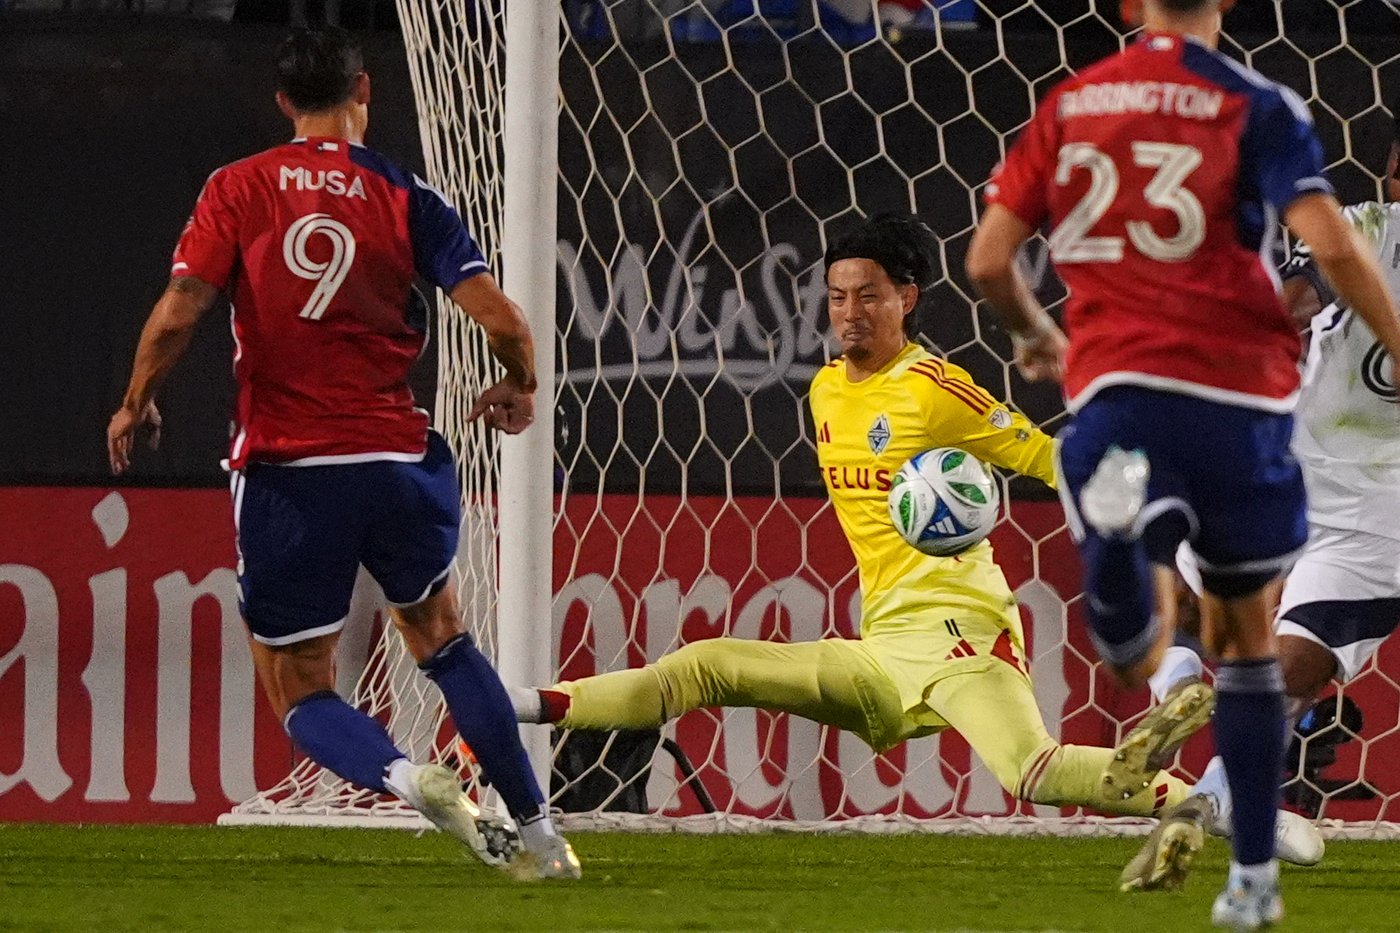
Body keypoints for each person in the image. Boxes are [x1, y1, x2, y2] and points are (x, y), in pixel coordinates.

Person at [509, 212, 1212, 824]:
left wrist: (1147, 486)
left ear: (906, 299)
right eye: (838, 296)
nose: (850, 312)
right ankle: (523, 704)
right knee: (708, 664)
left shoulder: (935, 389)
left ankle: (1214, 804)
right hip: (882, 645)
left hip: (959, 631)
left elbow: (1047, 457)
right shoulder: (823, 392)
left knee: (1031, 770)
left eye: (868, 296)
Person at [964, 0, 1400, 926]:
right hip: (1244, 410)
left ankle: (1124, 550)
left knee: (1139, 650)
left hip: (1119, 391)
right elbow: (1327, 242)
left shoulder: (1074, 102)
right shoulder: (1257, 101)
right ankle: (1250, 887)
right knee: (1248, 647)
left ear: (1129, 8)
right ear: (1227, 5)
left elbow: (991, 261)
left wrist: (1036, 337)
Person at [106, 28, 578, 880]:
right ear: (365, 90)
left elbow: (181, 309)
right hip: (399, 459)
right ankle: (542, 833)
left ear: (284, 101)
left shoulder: (239, 187)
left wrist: (137, 400)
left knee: (300, 684)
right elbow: (504, 320)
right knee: (442, 637)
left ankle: (406, 777)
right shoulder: (405, 193)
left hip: (291, 470)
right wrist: (520, 384)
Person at [1127, 100, 1400, 892]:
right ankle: (1209, 796)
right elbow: (1303, 288)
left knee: (1181, 577)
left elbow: (1296, 292)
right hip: (1371, 514)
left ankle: (1180, 697)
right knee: (1291, 674)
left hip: (1291, 469)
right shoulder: (1372, 227)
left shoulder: (1368, 222)